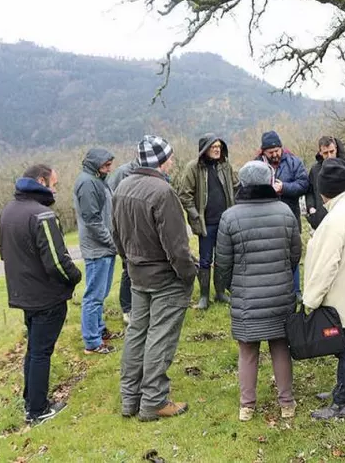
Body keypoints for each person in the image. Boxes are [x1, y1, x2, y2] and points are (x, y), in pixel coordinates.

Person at [112, 135, 197, 422]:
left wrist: (129, 262)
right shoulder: (163, 192)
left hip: (137, 274)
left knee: (136, 335)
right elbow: (177, 246)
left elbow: (116, 237)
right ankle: (154, 401)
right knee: (160, 337)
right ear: (161, 161)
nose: (172, 162)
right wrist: (188, 275)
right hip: (165, 278)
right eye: (169, 157)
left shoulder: (121, 187)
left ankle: (130, 399)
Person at [214, 161, 301, 422]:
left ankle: (246, 406)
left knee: (248, 350)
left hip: (246, 298)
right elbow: (295, 253)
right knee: (280, 347)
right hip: (280, 294)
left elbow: (223, 263)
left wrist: (231, 287)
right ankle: (286, 403)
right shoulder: (285, 212)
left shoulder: (230, 217)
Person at [0, 164, 82, 425]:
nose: (56, 188)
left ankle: (30, 400)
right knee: (40, 352)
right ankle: (37, 409)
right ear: (41, 180)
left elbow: (4, 254)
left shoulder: (8, 211)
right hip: (46, 296)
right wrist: (74, 276)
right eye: (54, 184)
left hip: (24, 293)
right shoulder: (42, 215)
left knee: (34, 349)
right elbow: (56, 262)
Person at [304, 158, 345, 420]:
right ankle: (343, 390)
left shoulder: (336, 220)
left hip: (339, 294)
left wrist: (310, 300)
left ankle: (341, 402)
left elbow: (326, 266)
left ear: (325, 189)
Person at [178, 133, 237, 309]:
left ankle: (219, 293)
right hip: (206, 223)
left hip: (225, 221)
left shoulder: (225, 166)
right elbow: (184, 194)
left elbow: (236, 186)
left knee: (222, 259)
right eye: (213, 147)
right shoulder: (193, 168)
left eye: (219, 146)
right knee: (205, 259)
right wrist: (195, 215)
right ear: (205, 149)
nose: (217, 149)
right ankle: (204, 296)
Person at [74, 147, 117, 355]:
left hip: (105, 247)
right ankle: (92, 341)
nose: (109, 169)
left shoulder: (98, 180)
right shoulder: (87, 183)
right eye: (106, 165)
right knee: (94, 296)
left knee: (102, 293)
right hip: (97, 248)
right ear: (95, 164)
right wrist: (111, 242)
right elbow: (92, 220)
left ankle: (99, 330)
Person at [255, 130, 309, 299]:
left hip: (290, 216)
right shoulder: (256, 165)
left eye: (277, 151)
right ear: (263, 152)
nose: (275, 155)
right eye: (271, 153)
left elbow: (303, 184)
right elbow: (249, 188)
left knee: (293, 254)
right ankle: (275, 292)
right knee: (270, 257)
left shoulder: (294, 162)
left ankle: (296, 291)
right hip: (265, 219)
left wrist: (283, 187)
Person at [108, 154, 140, 325]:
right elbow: (112, 201)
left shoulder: (156, 169)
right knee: (128, 267)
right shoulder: (122, 173)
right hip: (126, 227)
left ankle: (140, 306)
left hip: (142, 226)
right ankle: (127, 308)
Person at [305, 136, 345, 230]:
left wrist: (341, 208)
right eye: (325, 153)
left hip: (343, 221)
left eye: (332, 151)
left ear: (336, 149)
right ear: (320, 152)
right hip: (320, 221)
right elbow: (310, 191)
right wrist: (311, 208)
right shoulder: (315, 170)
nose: (329, 156)